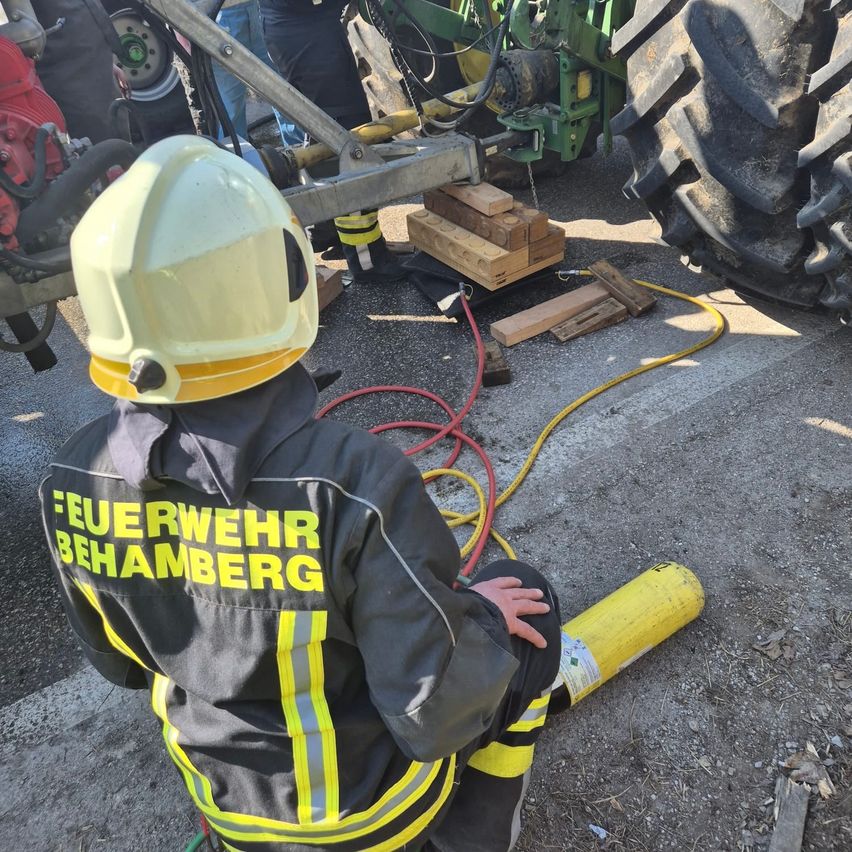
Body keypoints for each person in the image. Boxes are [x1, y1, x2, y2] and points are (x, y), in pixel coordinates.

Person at [41, 136, 563, 852]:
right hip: (370, 815)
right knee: (528, 598)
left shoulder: (72, 476)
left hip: (228, 811)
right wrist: (476, 614)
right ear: (275, 282)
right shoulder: (356, 483)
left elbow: (122, 667)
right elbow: (431, 712)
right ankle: (473, 835)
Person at [259, 0, 402, 282]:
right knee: (350, 143)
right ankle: (368, 260)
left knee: (324, 131)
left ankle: (325, 227)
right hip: (308, 35)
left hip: (295, 28)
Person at [190, 0, 303, 145]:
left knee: (288, 96)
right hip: (216, 18)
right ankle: (238, 161)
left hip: (262, 8)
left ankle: (302, 155)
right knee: (230, 111)